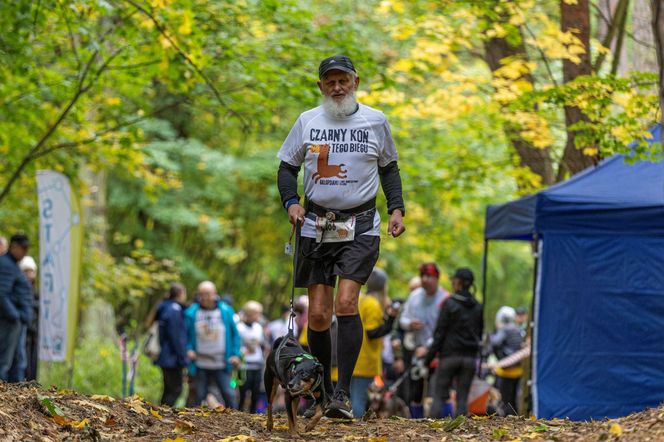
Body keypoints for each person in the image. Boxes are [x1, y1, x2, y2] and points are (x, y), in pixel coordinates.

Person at [277, 54, 406, 418]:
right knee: (317, 316)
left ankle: (344, 395)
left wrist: (397, 209)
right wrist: (291, 202)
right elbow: (286, 168)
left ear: (355, 82)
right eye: (330, 82)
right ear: (321, 86)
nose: (337, 87)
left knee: (346, 304)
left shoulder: (376, 121)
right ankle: (324, 393)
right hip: (316, 226)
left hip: (361, 225)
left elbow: (389, 169)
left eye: (343, 81)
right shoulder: (307, 121)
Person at [423, 268, 483, 417]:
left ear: (457, 282)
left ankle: (430, 433)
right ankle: (462, 435)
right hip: (469, 358)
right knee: (462, 399)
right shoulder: (478, 306)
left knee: (439, 396)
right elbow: (480, 333)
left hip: (449, 356)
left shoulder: (449, 304)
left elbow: (439, 333)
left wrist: (428, 358)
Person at [398, 263, 447, 417]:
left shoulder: (445, 299)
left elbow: (444, 329)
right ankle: (416, 422)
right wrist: (409, 324)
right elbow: (402, 320)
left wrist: (428, 348)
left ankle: (442, 422)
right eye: (423, 276)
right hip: (417, 350)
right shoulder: (415, 296)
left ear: (437, 279)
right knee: (416, 390)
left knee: (436, 391)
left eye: (429, 276)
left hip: (438, 352)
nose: (425, 280)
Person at [350, 267, 400, 417]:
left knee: (355, 396)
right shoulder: (373, 304)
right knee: (359, 398)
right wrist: (391, 320)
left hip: (355, 357)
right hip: (365, 360)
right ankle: (356, 430)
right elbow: (372, 332)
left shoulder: (360, 300)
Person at [185, 281, 241, 408]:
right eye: (201, 294)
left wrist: (235, 354)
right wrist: (188, 349)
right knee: (198, 395)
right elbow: (185, 334)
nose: (205, 297)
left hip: (222, 362)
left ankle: (236, 422)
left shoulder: (226, 311)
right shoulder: (192, 312)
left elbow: (235, 335)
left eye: (208, 294)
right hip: (199, 363)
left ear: (215, 294)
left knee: (229, 394)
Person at [0, 234, 32, 381]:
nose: (25, 252)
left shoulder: (12, 265)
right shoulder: (6, 264)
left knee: (17, 361)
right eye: (22, 248)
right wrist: (15, 316)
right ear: (13, 247)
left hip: (16, 320)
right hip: (9, 321)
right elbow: (2, 293)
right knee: (5, 361)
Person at [154, 283, 189, 407]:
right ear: (180, 294)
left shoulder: (164, 307)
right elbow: (176, 336)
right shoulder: (174, 309)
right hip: (171, 357)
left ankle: (160, 412)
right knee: (176, 389)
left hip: (165, 354)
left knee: (169, 388)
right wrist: (183, 358)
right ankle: (163, 414)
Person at [487, 306, 524, 416]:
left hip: (506, 371)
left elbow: (495, 342)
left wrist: (489, 338)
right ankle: (515, 420)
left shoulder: (504, 329)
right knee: (513, 400)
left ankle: (506, 421)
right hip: (517, 370)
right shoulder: (517, 329)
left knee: (505, 399)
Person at [9, 256, 39, 382]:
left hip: (34, 331)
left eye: (31, 271)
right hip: (21, 328)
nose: (29, 274)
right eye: (26, 271)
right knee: (21, 359)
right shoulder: (17, 288)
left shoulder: (36, 291)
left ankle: (30, 382)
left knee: (32, 361)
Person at [237, 300, 266, 413]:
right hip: (244, 365)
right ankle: (239, 413)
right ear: (249, 313)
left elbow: (261, 343)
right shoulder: (239, 327)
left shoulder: (258, 327)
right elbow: (236, 344)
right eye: (256, 313)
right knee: (243, 392)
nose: (258, 316)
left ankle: (253, 413)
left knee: (256, 392)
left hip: (257, 364)